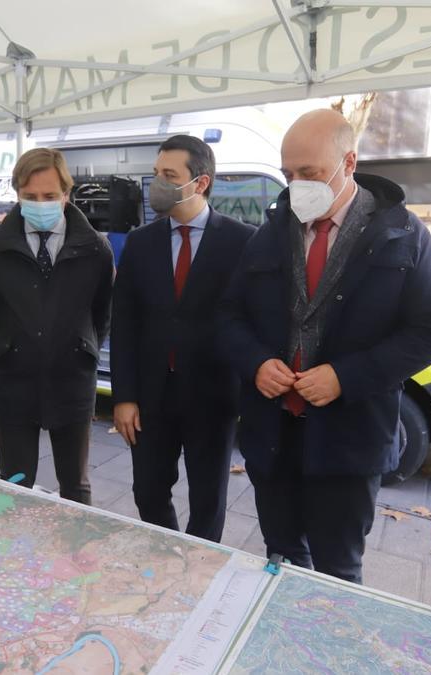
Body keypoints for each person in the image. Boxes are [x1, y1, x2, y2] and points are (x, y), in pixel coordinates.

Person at [220, 109, 431, 583]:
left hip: (349, 440)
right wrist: (256, 362)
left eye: (310, 173)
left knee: (338, 570)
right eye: (289, 174)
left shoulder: (404, 236)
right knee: (280, 559)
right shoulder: (271, 232)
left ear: (349, 162)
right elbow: (229, 317)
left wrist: (347, 376)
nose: (297, 185)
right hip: (273, 435)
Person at [111, 134, 255, 542]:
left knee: (209, 498)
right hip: (151, 397)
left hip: (213, 395)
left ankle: (201, 564)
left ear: (200, 182)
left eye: (169, 175)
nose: (157, 182)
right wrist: (124, 396)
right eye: (156, 173)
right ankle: (166, 551)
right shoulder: (140, 243)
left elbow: (251, 320)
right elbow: (124, 322)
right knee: (148, 492)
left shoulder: (243, 241)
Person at [0, 148, 114, 505]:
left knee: (76, 486)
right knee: (16, 484)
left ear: (66, 193)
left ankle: (76, 555)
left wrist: (83, 348)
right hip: (14, 380)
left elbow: (102, 313)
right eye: (30, 196)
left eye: (49, 196)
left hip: (71, 380)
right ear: (18, 193)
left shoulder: (96, 248)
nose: (40, 204)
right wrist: (4, 348)